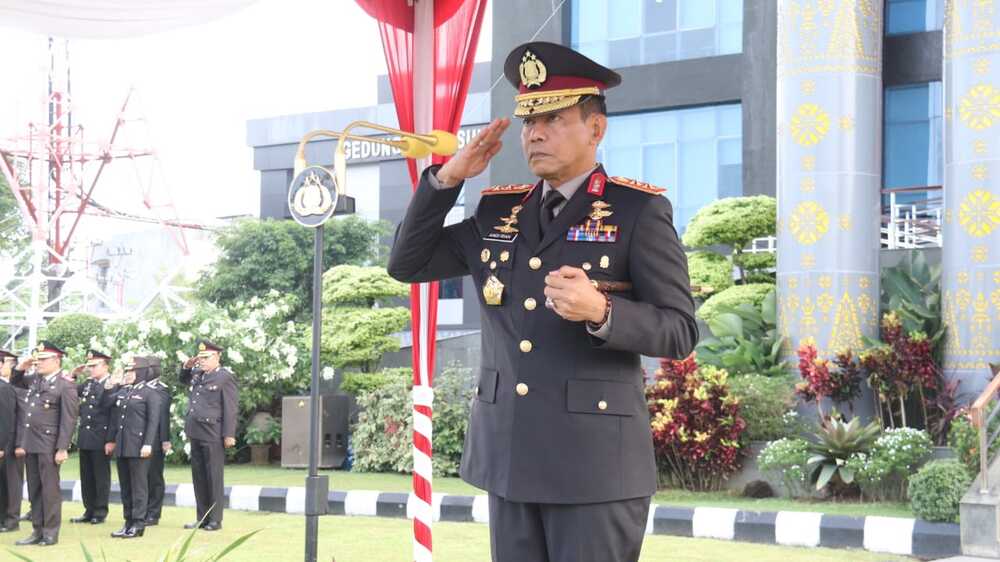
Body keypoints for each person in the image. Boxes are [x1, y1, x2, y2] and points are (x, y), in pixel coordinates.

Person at [387, 41, 698, 562]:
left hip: (595, 467)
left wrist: (603, 312)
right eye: (530, 120)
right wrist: (448, 179)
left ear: (595, 129)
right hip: (510, 458)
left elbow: (680, 331)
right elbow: (407, 264)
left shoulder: (636, 211)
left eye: (553, 118)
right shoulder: (498, 212)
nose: (535, 133)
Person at [11, 341, 80, 547]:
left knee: (49, 490)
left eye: (43, 359)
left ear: (56, 360)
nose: (38, 363)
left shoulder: (65, 384)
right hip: (32, 442)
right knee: (34, 489)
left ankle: (50, 532)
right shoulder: (36, 379)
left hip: (49, 444)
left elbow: (69, 419)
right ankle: (37, 530)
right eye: (37, 359)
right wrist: (21, 366)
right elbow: (16, 381)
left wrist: (62, 448)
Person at [179, 341, 237, 531]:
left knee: (213, 477)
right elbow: (183, 380)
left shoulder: (224, 377)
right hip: (195, 430)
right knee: (199, 477)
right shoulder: (198, 373)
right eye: (200, 358)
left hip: (212, 432)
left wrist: (229, 434)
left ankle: (215, 519)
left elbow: (230, 407)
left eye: (206, 357)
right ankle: (202, 517)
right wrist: (186, 366)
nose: (202, 361)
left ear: (217, 357)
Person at [105, 356, 163, 539]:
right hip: (123, 446)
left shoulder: (150, 393)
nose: (128, 374)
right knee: (126, 487)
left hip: (139, 446)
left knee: (139, 487)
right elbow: (106, 404)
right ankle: (128, 521)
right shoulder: (124, 391)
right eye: (127, 371)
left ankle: (138, 523)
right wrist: (111, 385)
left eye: (132, 371)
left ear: (141, 373)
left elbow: (153, 422)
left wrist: (148, 444)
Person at [70, 350, 117, 525]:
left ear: (105, 366)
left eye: (94, 366)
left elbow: (114, 415)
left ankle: (100, 511)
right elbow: (71, 392)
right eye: (89, 366)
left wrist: (111, 439)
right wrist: (73, 376)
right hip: (86, 436)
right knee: (87, 476)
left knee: (100, 476)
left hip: (101, 437)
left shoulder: (113, 384)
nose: (90, 369)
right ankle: (89, 510)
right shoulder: (89, 384)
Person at [143, 357, 172, 526]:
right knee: (142, 477)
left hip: (155, 439)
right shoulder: (141, 387)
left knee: (154, 477)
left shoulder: (161, 389)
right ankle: (143, 510)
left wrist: (165, 439)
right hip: (140, 437)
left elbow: (163, 416)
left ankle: (153, 513)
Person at [0, 350, 20, 533]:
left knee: (10, 482)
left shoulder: (4, 388)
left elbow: (6, 419)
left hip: (6, 442)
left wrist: (1, 446)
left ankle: (11, 520)